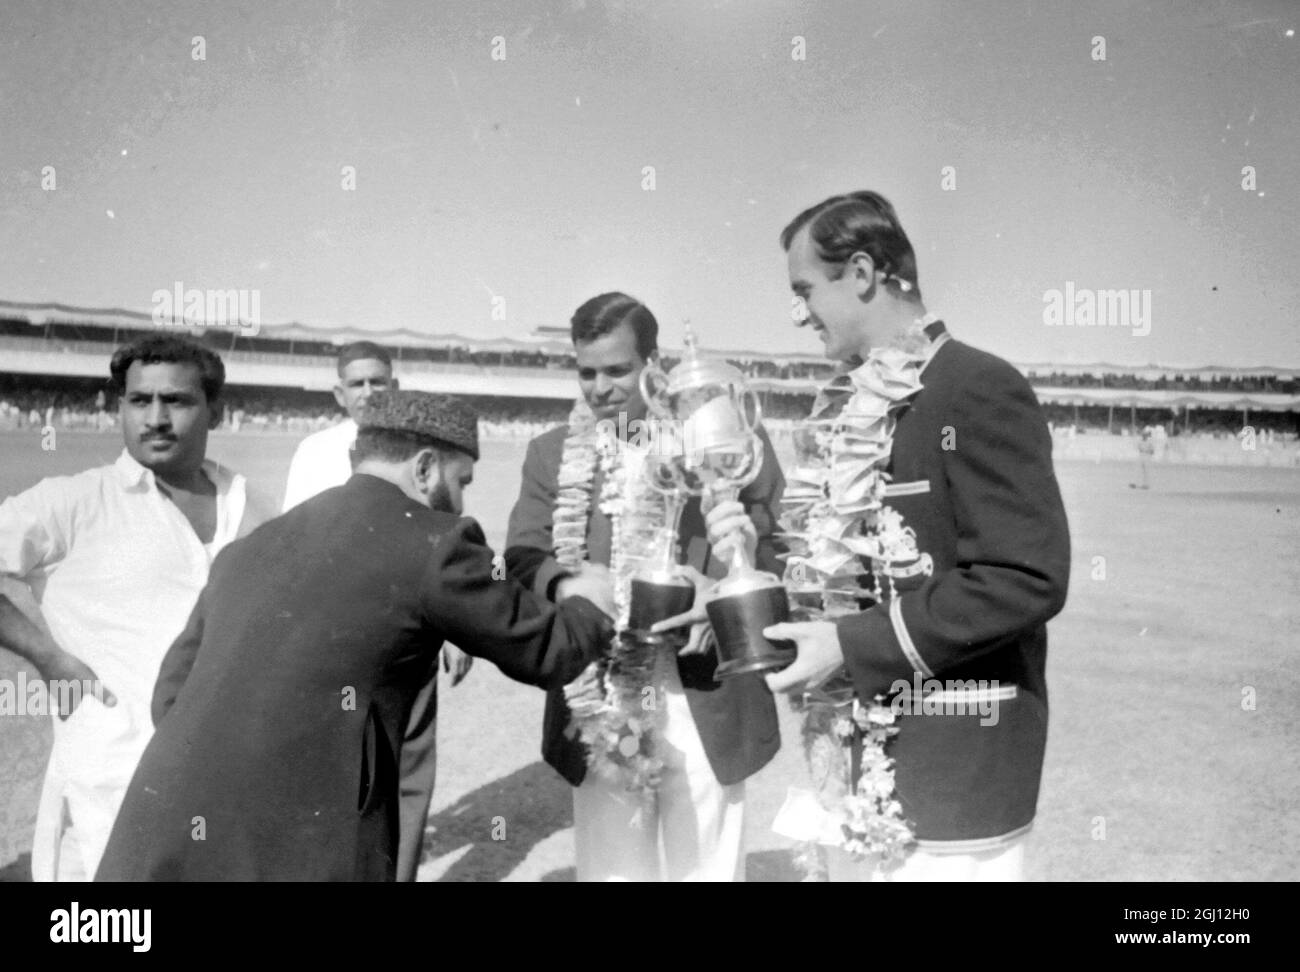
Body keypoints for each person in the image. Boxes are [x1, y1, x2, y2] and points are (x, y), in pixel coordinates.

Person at [95, 391, 615, 881]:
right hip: (304, 847)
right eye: (463, 481)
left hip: (161, 832)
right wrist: (590, 597)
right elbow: (550, 650)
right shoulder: (438, 542)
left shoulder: (253, 545)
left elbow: (170, 693)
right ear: (426, 467)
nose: (459, 501)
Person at [751, 191, 1071, 880]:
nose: (798, 311)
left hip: (954, 778)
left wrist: (848, 645)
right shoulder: (843, 407)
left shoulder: (974, 387)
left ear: (862, 274)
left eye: (805, 289)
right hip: (852, 768)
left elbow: (1025, 577)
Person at [504, 292, 785, 882]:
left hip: (703, 685)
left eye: (617, 370)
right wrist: (567, 583)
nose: (600, 387)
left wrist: (723, 595)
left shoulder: (718, 436)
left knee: (705, 868)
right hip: (599, 689)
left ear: (654, 366)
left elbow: (777, 549)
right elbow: (523, 554)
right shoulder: (552, 453)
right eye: (587, 372)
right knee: (613, 871)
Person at [0, 334, 263, 881]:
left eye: (178, 401)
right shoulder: (74, 501)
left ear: (216, 409)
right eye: (140, 401)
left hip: (223, 780)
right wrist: (48, 658)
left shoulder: (247, 502)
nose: (157, 418)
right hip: (111, 777)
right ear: (119, 407)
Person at [282, 339, 468, 881]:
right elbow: (295, 547)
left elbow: (445, 541)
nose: (368, 391)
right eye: (357, 383)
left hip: (409, 625)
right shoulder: (314, 452)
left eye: (378, 381)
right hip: (333, 633)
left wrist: (454, 628)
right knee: (334, 769)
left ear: (395, 386)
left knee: (408, 769)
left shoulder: (423, 452)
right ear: (339, 392)